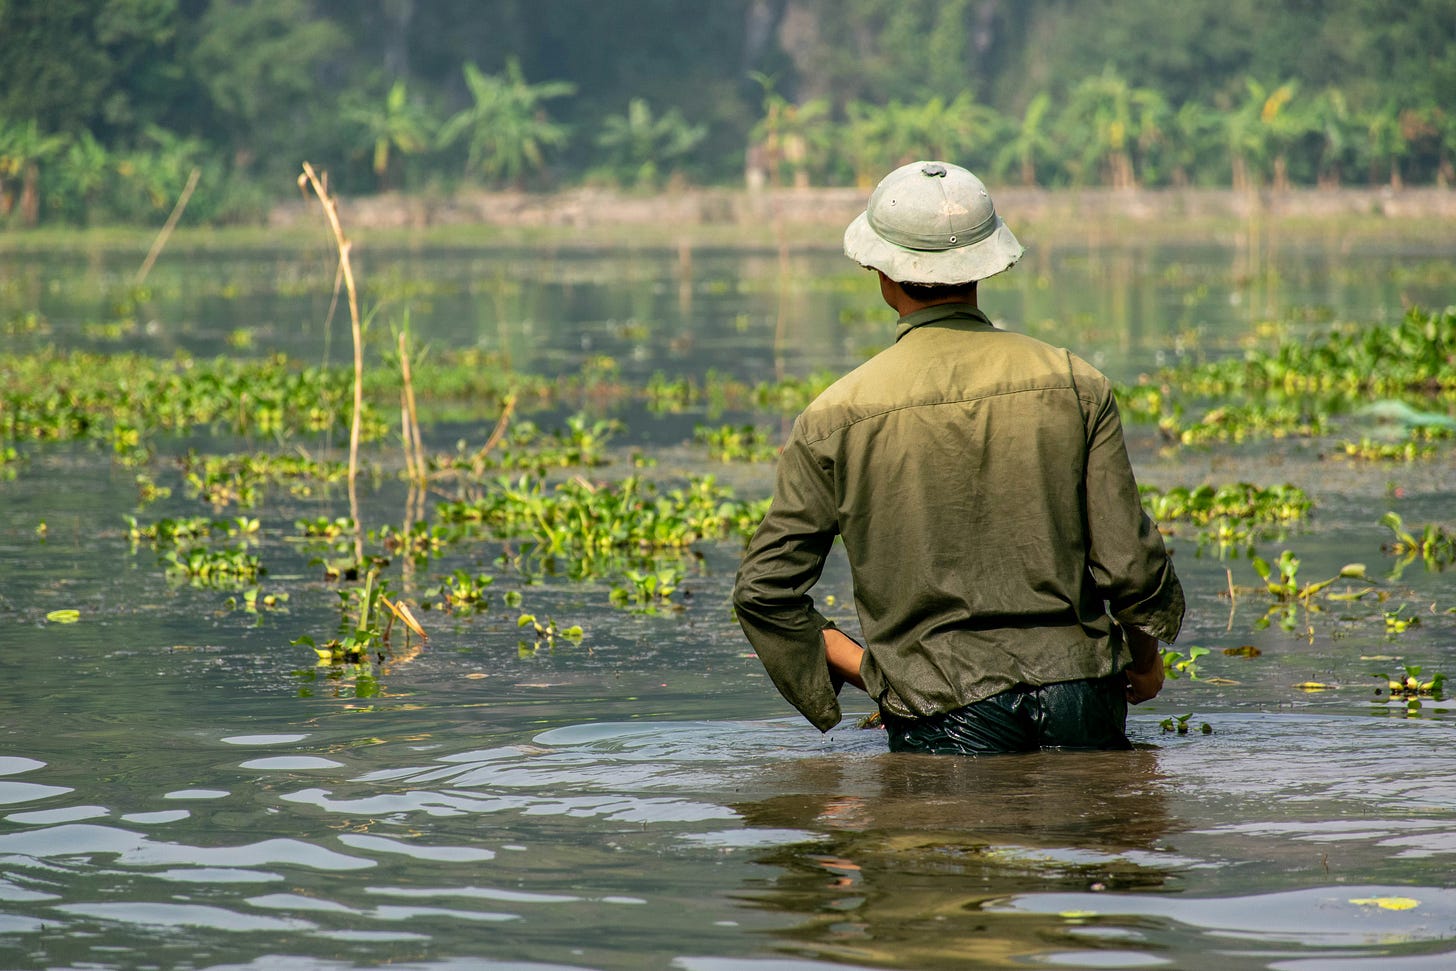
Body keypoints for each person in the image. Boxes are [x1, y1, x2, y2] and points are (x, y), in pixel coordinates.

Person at [732, 159, 1184, 755]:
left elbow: (764, 593)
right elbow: (1130, 564)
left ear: (880, 271)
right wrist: (1147, 664)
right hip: (1084, 694)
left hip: (942, 711)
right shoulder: (1076, 383)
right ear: (986, 265)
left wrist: (879, 674)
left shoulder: (832, 418)